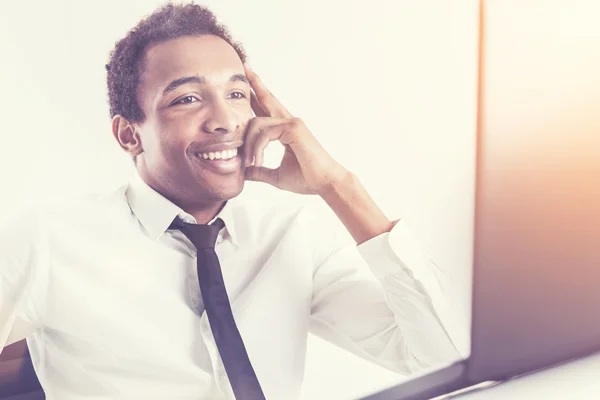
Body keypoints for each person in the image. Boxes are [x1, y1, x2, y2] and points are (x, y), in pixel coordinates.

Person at [0, 2, 461, 399]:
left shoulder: (290, 236)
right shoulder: (47, 241)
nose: (224, 120)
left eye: (237, 94)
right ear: (128, 134)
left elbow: (445, 358)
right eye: (187, 99)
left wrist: (338, 187)